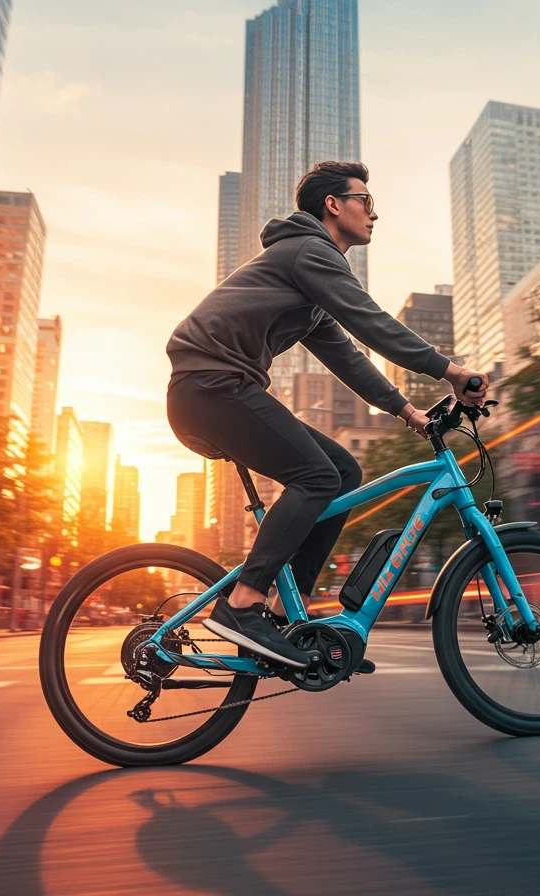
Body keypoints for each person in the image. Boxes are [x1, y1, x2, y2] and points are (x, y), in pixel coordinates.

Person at [166, 161, 488, 668]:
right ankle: (244, 604)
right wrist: (449, 371)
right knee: (316, 475)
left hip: (218, 388)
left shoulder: (308, 283)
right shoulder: (309, 251)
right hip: (210, 385)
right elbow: (372, 322)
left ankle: (286, 619)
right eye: (366, 200)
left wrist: (407, 412)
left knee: (343, 472)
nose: (374, 213)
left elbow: (348, 356)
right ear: (333, 205)